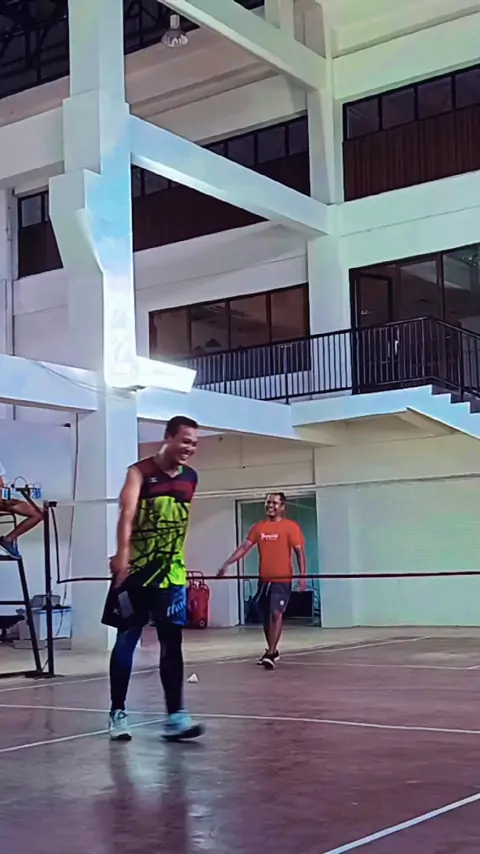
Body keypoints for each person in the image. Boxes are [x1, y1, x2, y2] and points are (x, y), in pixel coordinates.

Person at [104, 415, 204, 743]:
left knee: (172, 644)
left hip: (171, 575)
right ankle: (118, 712)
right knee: (127, 638)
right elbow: (127, 514)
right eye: (185, 441)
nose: (190, 448)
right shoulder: (139, 473)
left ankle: (176, 716)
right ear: (168, 437)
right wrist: (122, 554)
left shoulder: (191, 478)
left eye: (194, 443)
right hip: (136, 572)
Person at [218, 493, 306, 669]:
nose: (270, 505)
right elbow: (244, 547)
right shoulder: (259, 527)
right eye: (268, 502)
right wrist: (227, 563)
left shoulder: (291, 527)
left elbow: (300, 553)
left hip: (282, 580)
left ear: (282, 506)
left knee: (276, 613)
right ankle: (272, 650)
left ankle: (271, 652)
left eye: (274, 503)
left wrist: (302, 576)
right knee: (266, 615)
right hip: (264, 580)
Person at [0, 459, 43, 559]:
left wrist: (5, 497)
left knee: (39, 513)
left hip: (3, 499)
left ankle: (7, 540)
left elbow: (1, 485)